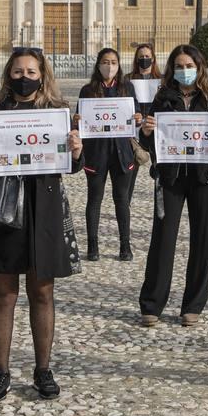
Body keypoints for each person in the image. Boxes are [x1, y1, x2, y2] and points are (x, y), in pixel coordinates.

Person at [0, 47, 83, 401]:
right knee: (2, 293)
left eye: (31, 71)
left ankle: (43, 369)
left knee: (42, 292)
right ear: (8, 74)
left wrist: (76, 151)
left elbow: (72, 166)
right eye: (18, 71)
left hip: (44, 208)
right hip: (3, 208)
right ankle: (1, 372)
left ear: (42, 75)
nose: (24, 77)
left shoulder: (58, 111)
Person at [137, 44, 208, 327]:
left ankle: (193, 305)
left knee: (203, 241)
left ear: (199, 67)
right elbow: (150, 143)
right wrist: (145, 133)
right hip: (170, 178)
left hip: (206, 178)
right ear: (173, 69)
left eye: (189, 66)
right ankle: (152, 304)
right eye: (180, 66)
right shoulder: (162, 98)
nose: (185, 71)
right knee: (163, 240)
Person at [78, 48, 141, 262]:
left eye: (113, 62)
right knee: (94, 199)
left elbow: (137, 115)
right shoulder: (88, 90)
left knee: (122, 199)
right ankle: (92, 245)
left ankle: (125, 245)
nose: (109, 66)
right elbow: (81, 119)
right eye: (105, 61)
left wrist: (138, 117)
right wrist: (77, 120)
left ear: (119, 65)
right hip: (96, 152)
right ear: (98, 65)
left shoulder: (127, 88)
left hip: (122, 152)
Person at [125, 43, 162, 115]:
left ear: (152, 59)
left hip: (154, 121)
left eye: (147, 56)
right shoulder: (128, 78)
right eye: (141, 56)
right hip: (135, 119)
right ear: (137, 59)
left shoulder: (162, 79)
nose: (144, 59)